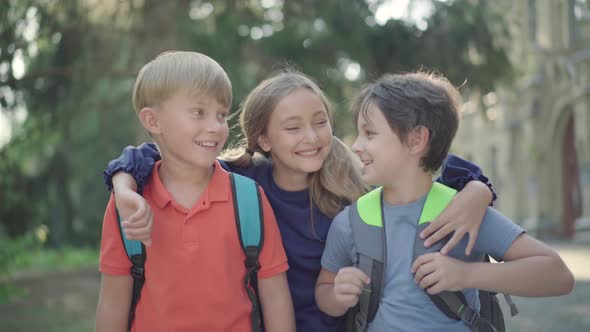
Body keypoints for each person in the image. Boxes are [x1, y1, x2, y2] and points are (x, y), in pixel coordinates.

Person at [105, 71, 497, 331]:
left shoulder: (355, 185)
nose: (311, 137)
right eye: (292, 128)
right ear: (263, 139)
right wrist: (123, 185)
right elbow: (155, 156)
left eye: (320, 121)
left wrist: (479, 189)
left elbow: (426, 172)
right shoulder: (241, 181)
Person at [315, 72, 574, 331]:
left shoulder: (464, 212)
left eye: (369, 133)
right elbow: (324, 290)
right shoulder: (350, 222)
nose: (357, 145)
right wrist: (337, 296)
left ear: (417, 139)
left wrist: (464, 275)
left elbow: (558, 275)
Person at [95, 51, 295, 332]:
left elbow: (275, 296)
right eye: (198, 113)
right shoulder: (128, 205)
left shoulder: (248, 198)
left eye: (221, 115)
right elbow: (112, 303)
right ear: (153, 121)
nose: (215, 127)